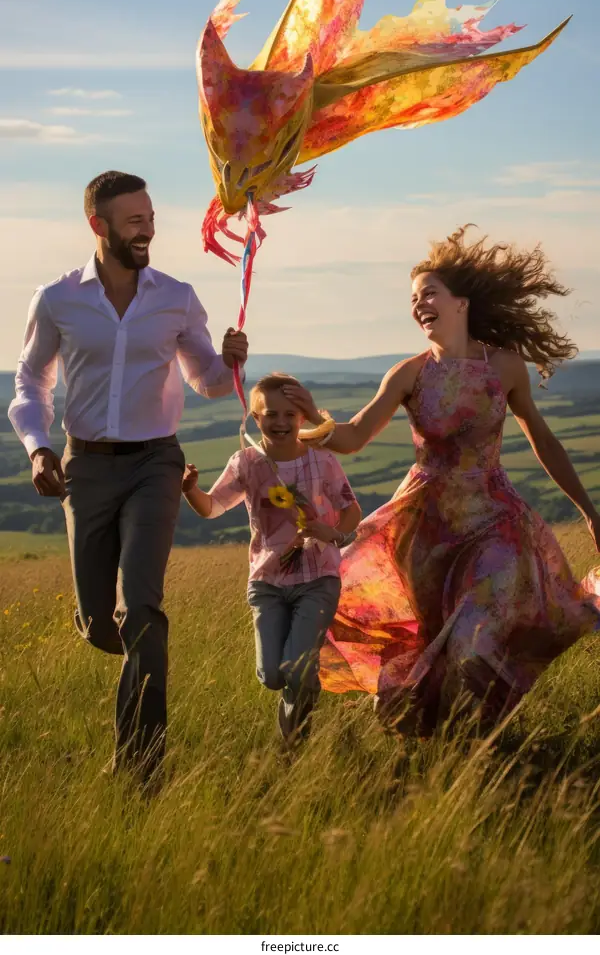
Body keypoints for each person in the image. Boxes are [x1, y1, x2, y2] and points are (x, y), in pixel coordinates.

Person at [284, 228, 600, 734]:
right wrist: (309, 421)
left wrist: (588, 508)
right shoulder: (408, 374)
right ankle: (450, 747)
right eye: (413, 299)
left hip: (495, 519)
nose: (419, 305)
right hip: (425, 528)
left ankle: (483, 739)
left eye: (429, 293)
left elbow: (545, 441)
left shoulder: (505, 368)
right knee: (433, 645)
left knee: (476, 640)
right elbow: (354, 436)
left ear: (462, 302)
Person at [8, 170, 248, 784]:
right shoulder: (57, 299)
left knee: (141, 608)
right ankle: (103, 622)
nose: (148, 230)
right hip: (84, 467)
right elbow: (30, 383)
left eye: (150, 218)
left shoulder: (176, 296)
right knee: (102, 625)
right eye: (134, 220)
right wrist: (38, 449)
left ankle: (141, 769)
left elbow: (209, 381)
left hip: (155, 463)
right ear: (99, 224)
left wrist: (233, 363)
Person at [181, 373, 361, 744]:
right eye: (271, 414)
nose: (280, 422)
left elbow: (350, 508)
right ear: (255, 419)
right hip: (267, 582)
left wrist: (335, 534)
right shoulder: (247, 463)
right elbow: (212, 507)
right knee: (273, 676)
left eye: (290, 414)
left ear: (302, 419)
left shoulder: (322, 461)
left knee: (294, 671)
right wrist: (189, 490)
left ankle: (291, 744)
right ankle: (306, 670)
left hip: (319, 577)